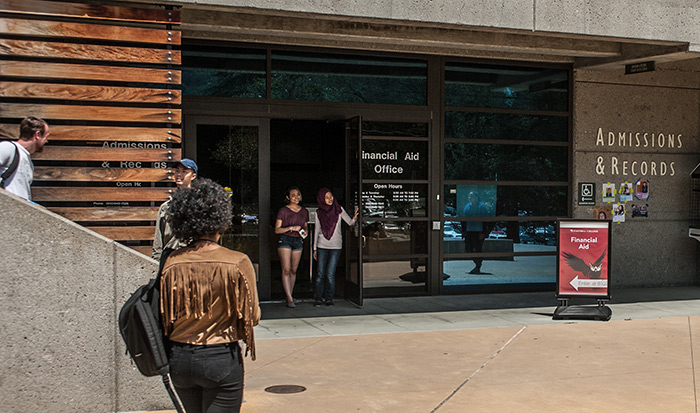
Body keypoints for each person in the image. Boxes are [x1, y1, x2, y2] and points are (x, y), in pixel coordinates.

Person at [160, 178, 260, 413]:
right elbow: (252, 317)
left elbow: (165, 315)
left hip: (180, 358)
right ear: (221, 219)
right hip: (220, 357)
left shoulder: (172, 262)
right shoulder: (237, 262)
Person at [312, 188, 358, 307]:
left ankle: (329, 299)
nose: (330, 199)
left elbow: (349, 223)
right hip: (322, 245)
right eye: (327, 197)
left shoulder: (339, 209)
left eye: (331, 196)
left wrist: (355, 217)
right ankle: (318, 298)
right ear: (322, 199)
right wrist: (315, 249)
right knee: (320, 273)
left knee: (330, 274)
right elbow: (316, 231)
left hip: (336, 246)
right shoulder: (318, 213)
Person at [152, 158, 198, 261]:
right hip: (169, 261)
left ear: (193, 176)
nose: (179, 174)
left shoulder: (198, 206)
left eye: (184, 172)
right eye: (177, 171)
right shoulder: (165, 207)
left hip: (191, 261)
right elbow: (158, 242)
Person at [274, 186, 309, 308]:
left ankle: (291, 294)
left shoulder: (304, 211)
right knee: (286, 269)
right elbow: (277, 230)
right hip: (285, 240)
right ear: (288, 197)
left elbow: (305, 227)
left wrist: (305, 232)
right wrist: (290, 228)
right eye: (293, 195)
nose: (296, 197)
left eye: (298, 194)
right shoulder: (283, 211)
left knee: (294, 270)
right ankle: (289, 298)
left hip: (298, 240)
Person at [0, 117, 49, 201]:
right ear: (37, 135)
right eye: (46, 137)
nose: (46, 141)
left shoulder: (26, 158)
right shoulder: (8, 148)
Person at [461, 191, 490, 274]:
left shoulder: (482, 207)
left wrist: (483, 232)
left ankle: (478, 266)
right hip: (469, 231)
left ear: (477, 197)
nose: (470, 198)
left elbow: (485, 221)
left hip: (478, 231)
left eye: (472, 196)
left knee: (478, 249)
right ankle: (478, 263)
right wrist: (463, 231)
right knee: (468, 248)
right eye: (469, 196)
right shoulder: (467, 206)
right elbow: (464, 219)